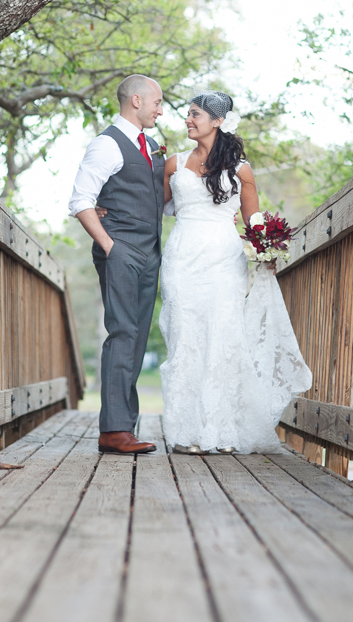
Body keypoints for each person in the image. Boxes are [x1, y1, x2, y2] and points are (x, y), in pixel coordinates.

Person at [160, 89, 312, 454]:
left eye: (195, 114)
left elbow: (253, 220)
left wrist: (267, 248)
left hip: (224, 259)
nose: (188, 120)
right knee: (184, 336)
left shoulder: (240, 170)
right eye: (188, 114)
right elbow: (156, 208)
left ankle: (220, 431)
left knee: (222, 338)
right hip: (181, 257)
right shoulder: (173, 164)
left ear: (217, 121)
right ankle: (186, 433)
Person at [69, 74, 165, 454]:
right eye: (157, 101)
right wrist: (111, 247)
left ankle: (125, 425)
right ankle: (113, 431)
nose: (161, 109)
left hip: (150, 252)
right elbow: (80, 200)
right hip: (122, 249)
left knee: (137, 337)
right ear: (137, 101)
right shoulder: (106, 144)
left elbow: (157, 198)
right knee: (123, 331)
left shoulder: (153, 145)